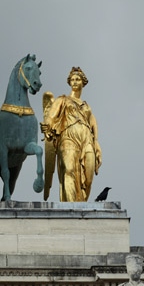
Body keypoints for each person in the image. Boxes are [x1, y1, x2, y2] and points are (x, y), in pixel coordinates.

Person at [41, 67, 102, 201]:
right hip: (68, 138)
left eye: (77, 79)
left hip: (87, 140)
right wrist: (48, 124)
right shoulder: (62, 99)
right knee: (68, 171)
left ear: (83, 82)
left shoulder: (87, 106)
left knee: (89, 178)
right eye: (72, 80)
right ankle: (71, 208)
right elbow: (51, 116)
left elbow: (93, 123)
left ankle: (81, 203)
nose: (74, 82)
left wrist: (96, 143)